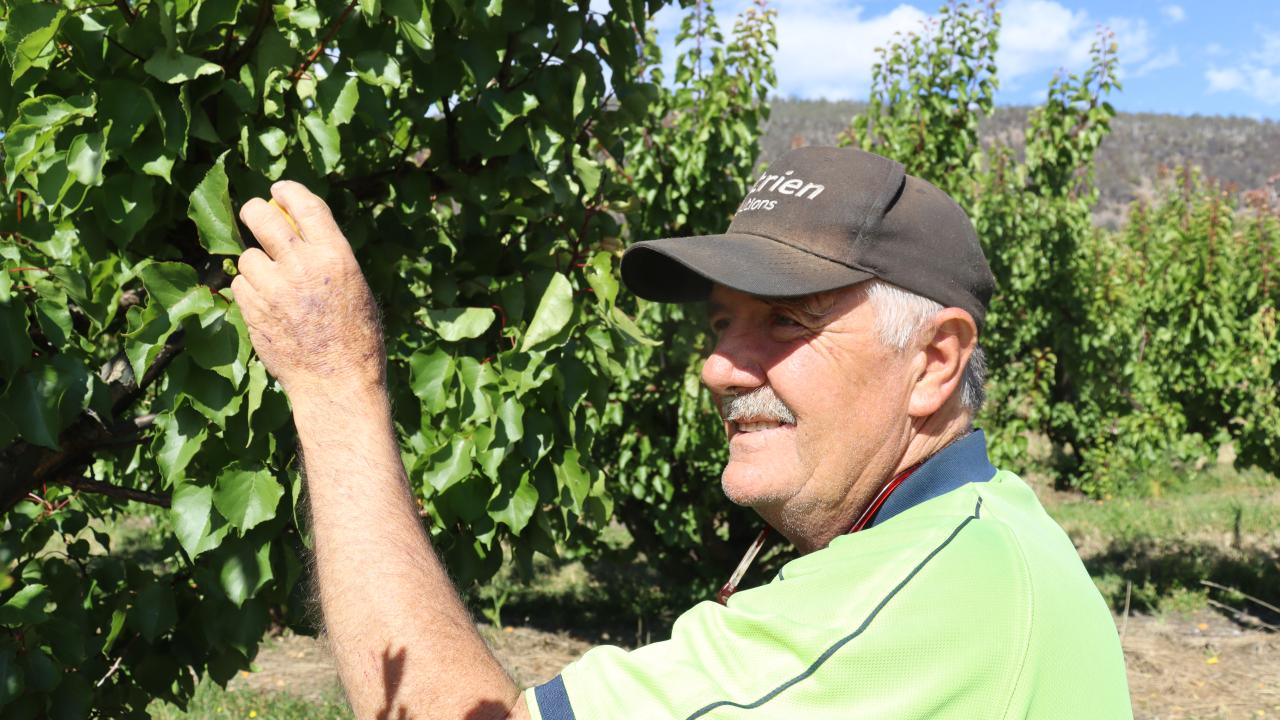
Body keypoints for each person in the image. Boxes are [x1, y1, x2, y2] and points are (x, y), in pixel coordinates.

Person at [234, 146, 1132, 720]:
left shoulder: (919, 596)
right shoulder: (988, 530)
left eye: (787, 323)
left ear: (935, 363)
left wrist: (333, 383)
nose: (719, 368)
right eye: (718, 325)